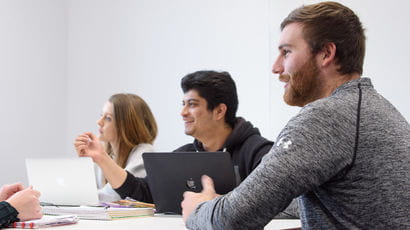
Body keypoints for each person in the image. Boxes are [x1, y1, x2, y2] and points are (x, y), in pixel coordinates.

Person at [181, 2, 410, 229]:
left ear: (326, 54)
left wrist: (198, 210)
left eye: (286, 52)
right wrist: (230, 202)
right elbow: (299, 203)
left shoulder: (326, 118)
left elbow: (232, 220)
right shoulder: (377, 110)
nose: (276, 67)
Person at [75, 71, 283, 213]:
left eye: (192, 105)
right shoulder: (182, 155)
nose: (183, 112)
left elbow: (280, 203)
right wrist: (101, 157)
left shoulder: (259, 152)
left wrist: (219, 204)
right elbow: (143, 192)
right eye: (183, 104)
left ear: (220, 110)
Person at [74, 93, 157, 202]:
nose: (99, 122)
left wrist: (73, 198)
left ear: (126, 125)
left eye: (108, 118)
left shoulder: (144, 154)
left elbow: (114, 196)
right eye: (101, 115)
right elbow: (85, 189)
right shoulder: (106, 153)